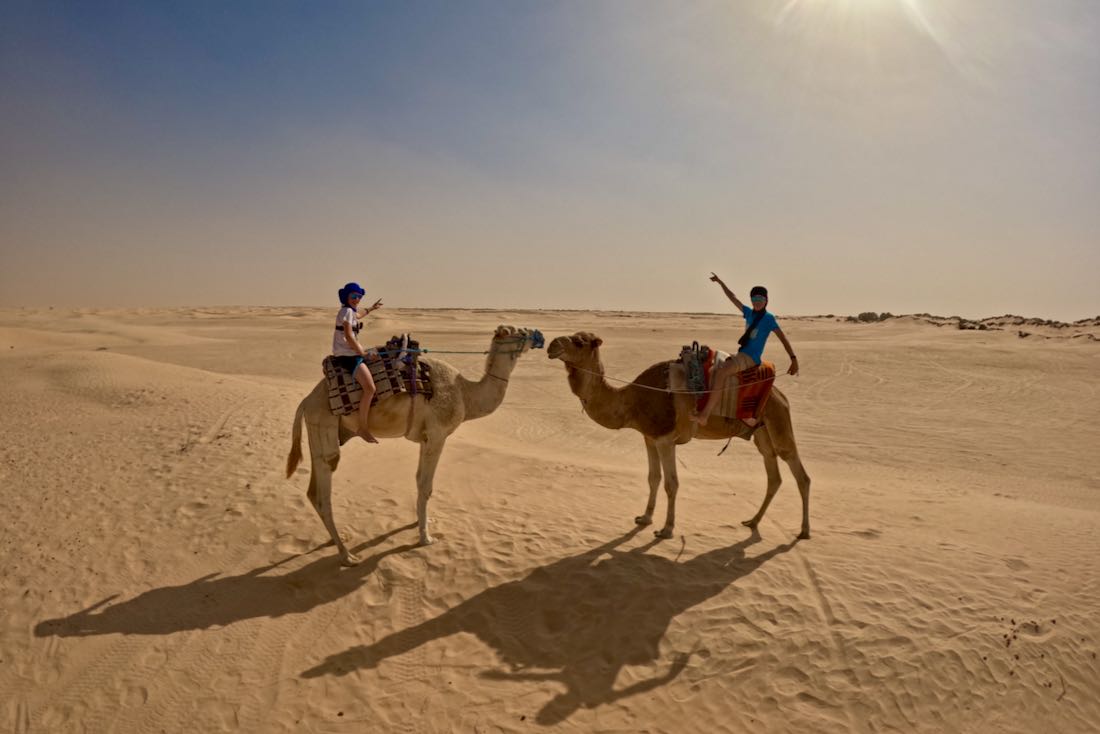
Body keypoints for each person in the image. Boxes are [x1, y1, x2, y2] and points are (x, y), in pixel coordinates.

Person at [692, 273, 798, 428]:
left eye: (760, 299)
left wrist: (793, 358)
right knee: (712, 369)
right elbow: (733, 297)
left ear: (766, 300)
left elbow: (783, 338)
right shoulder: (749, 313)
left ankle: (705, 415)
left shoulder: (768, 319)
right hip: (742, 354)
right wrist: (720, 282)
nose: (757, 302)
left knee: (721, 373)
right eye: (754, 299)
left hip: (750, 357)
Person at [333, 282, 385, 443]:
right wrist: (362, 353)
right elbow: (348, 336)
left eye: (359, 297)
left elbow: (359, 315)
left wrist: (371, 308)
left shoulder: (349, 311)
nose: (357, 299)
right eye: (353, 296)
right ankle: (362, 427)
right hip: (349, 356)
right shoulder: (347, 311)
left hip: (350, 353)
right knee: (370, 389)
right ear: (346, 297)